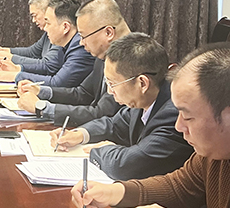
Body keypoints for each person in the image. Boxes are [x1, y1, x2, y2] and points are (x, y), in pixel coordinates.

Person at [71, 43, 230, 208]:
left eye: (188, 117)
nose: (179, 126)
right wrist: (115, 192)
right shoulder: (214, 153)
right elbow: (179, 187)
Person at [50, 33, 192, 180]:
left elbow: (126, 166)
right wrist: (79, 134)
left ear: (142, 83)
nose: (109, 91)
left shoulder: (175, 114)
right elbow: (113, 125)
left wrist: (103, 150)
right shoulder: (144, 100)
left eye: (112, 83)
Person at [17, 0, 131, 126]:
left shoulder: (131, 60)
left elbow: (101, 114)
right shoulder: (104, 54)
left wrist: (42, 107)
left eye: (83, 36)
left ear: (108, 33)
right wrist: (41, 91)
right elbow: (83, 93)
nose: (81, 43)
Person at [0, 0, 94, 88]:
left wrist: (15, 75)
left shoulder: (80, 46)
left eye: (48, 23)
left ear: (65, 27)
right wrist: (18, 68)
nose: (45, 28)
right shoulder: (66, 42)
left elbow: (57, 82)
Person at [0, 0, 62, 75]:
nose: (33, 20)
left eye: (35, 15)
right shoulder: (47, 34)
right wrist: (5, 50)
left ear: (48, 11)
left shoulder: (60, 35)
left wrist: (11, 58)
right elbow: (33, 52)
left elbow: (47, 65)